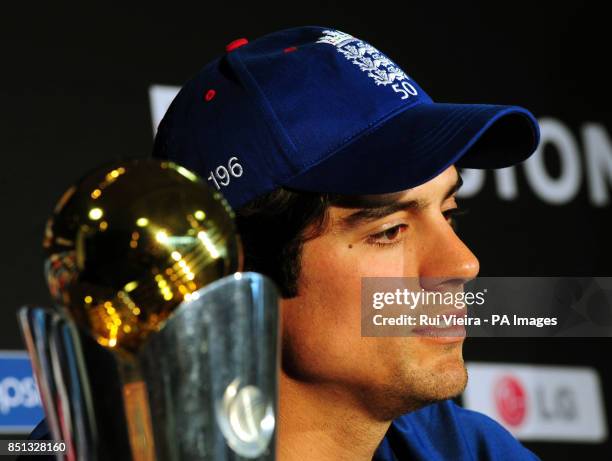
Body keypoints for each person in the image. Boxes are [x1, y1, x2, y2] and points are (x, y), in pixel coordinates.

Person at [26, 26, 541, 460]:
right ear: (233, 270)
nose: (463, 263)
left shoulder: (467, 448)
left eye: (448, 211)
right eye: (388, 231)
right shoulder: (101, 446)